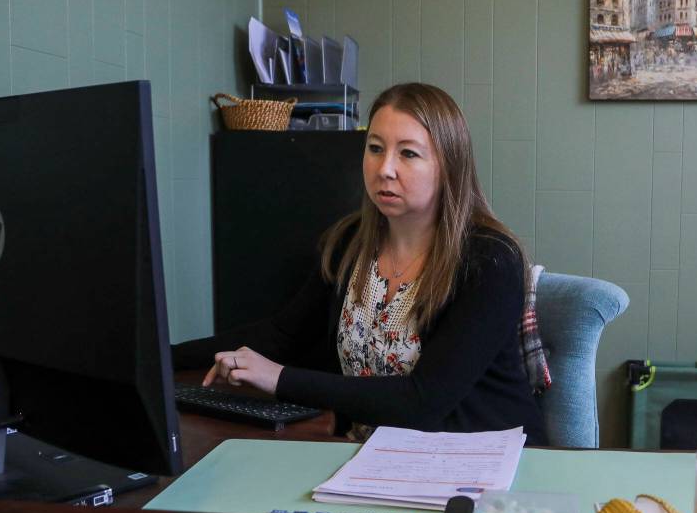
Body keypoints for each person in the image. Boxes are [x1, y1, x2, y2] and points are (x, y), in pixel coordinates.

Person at [173, 83, 548, 445]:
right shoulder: (350, 242)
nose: (385, 169)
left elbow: (423, 400)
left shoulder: (490, 260)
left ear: (448, 164)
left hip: (478, 459)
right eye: (375, 148)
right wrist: (165, 357)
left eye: (408, 153)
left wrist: (279, 378)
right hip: (372, 455)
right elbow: (282, 335)